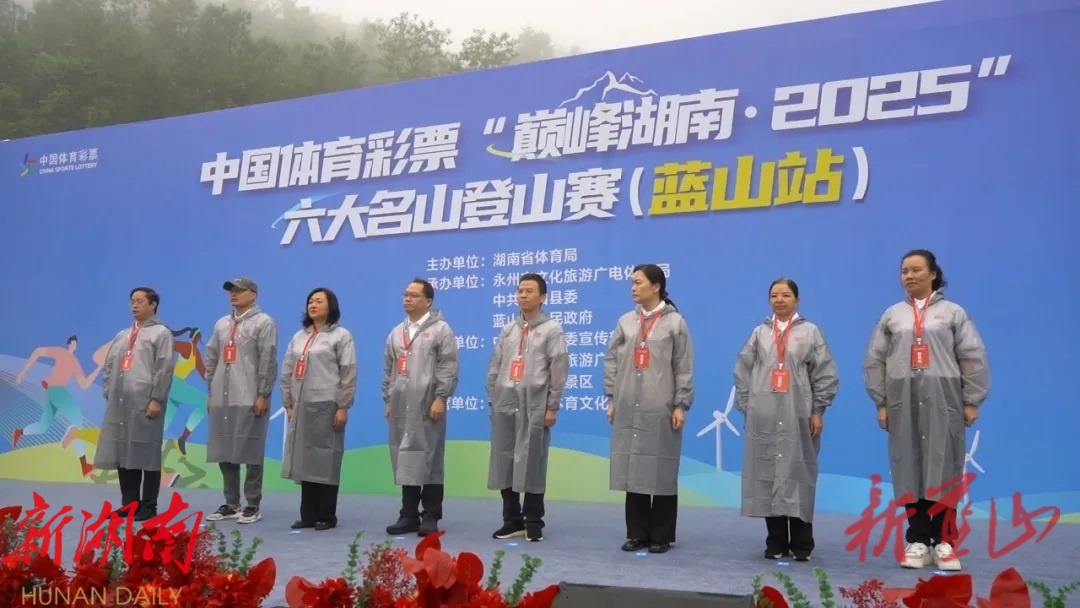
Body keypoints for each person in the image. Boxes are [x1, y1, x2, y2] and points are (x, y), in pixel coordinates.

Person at [863, 249, 990, 572]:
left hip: (943, 400)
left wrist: (972, 399)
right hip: (902, 400)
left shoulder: (952, 313)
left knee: (943, 467)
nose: (909, 276)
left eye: (916, 270)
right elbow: (875, 360)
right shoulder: (893, 315)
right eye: (904, 271)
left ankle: (944, 542)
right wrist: (881, 402)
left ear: (933, 273)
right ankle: (918, 540)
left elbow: (972, 356)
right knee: (910, 467)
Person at [733, 278, 839, 562]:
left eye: (786, 295)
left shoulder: (810, 332)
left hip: (798, 414)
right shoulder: (759, 333)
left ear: (797, 300)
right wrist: (748, 406)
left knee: (798, 474)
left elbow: (825, 373)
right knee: (768, 474)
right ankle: (776, 541)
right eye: (774, 295)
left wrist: (818, 410)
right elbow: (742, 370)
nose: (779, 300)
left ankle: (802, 543)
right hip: (764, 415)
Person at [604, 263, 695, 554]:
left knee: (661, 468)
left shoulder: (675, 323)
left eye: (639, 282)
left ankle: (661, 535)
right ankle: (637, 533)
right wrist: (613, 397)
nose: (633, 288)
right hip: (629, 404)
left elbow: (683, 366)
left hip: (661, 405)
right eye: (632, 283)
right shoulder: (626, 322)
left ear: (656, 287)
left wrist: (680, 404)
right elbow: (611, 361)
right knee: (634, 468)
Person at [486, 273, 569, 542]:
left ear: (543, 297)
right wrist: (493, 399)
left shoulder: (552, 329)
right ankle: (511, 520)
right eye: (520, 290)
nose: (522, 295)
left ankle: (533, 520)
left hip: (534, 405)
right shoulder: (508, 329)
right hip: (505, 403)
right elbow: (495, 366)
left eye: (529, 291)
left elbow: (558, 370)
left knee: (533, 460)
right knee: (505, 459)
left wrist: (552, 406)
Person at [382, 278, 460, 537]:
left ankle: (431, 515)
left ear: (428, 301)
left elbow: (448, 365)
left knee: (430, 457)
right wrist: (388, 399)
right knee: (405, 456)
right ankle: (408, 514)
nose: (408, 298)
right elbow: (388, 369)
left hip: (428, 403)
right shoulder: (397, 332)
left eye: (414, 295)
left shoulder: (441, 330)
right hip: (401, 404)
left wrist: (441, 397)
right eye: (406, 294)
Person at [94, 287, 176, 521]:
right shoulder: (123, 334)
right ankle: (129, 504)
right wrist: (109, 392)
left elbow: (164, 369)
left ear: (153, 305)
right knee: (124, 452)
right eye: (132, 301)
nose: (135, 305)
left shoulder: (161, 333)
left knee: (147, 453)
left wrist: (156, 399)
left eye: (140, 301)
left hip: (146, 402)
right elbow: (110, 365)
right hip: (120, 403)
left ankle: (149, 506)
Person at [280, 288, 357, 531]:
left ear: (330, 306)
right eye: (310, 301)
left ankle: (326, 515)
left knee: (326, 457)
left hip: (327, 403)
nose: (313, 305)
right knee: (305, 459)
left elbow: (348, 372)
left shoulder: (341, 336)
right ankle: (308, 515)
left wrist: (343, 406)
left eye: (319, 301)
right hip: (301, 404)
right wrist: (288, 403)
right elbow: (287, 370)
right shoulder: (299, 337)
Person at [204, 277, 279, 525]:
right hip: (222, 395)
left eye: (239, 290)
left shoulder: (264, 322)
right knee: (224, 450)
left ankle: (253, 504)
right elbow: (211, 356)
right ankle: (231, 503)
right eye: (231, 291)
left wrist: (263, 394)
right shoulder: (222, 324)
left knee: (251, 451)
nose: (233, 294)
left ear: (253, 294)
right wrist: (211, 391)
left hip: (249, 395)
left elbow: (268, 359)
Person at [13, 335, 109, 476]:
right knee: (77, 421)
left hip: (53, 392)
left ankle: (19, 432)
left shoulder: (75, 362)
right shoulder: (60, 352)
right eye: (72, 343)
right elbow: (38, 351)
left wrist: (99, 367)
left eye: (76, 344)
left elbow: (84, 384)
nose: (74, 346)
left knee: (42, 426)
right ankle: (84, 465)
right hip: (57, 391)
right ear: (68, 344)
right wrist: (23, 372)